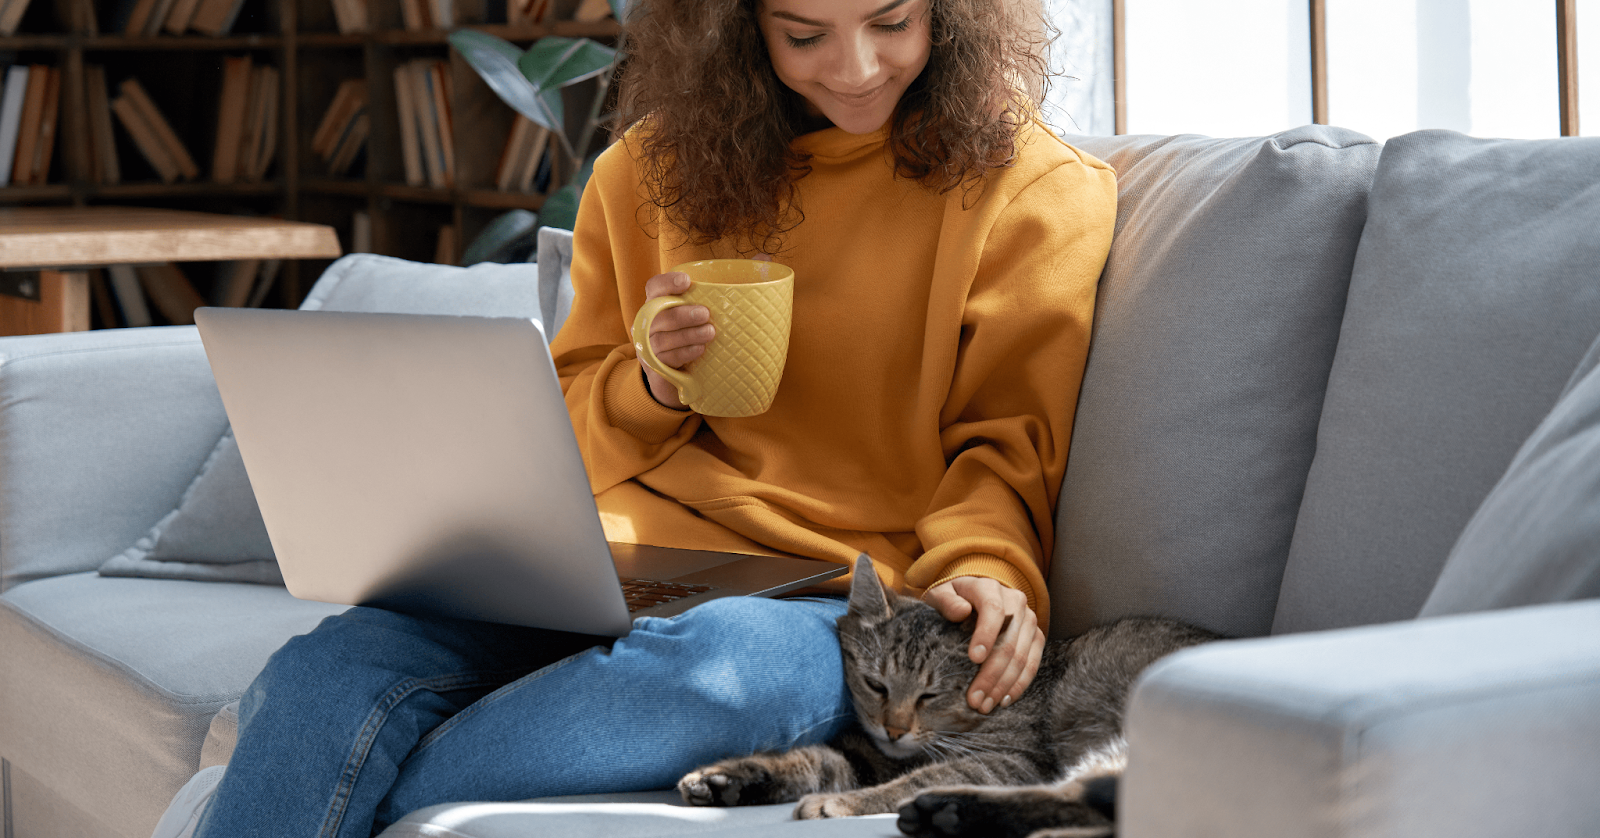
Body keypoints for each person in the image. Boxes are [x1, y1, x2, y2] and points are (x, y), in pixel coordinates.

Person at [155, 0, 1115, 835]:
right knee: (332, 668)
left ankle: (305, 800)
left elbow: (1008, 441)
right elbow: (560, 436)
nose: (856, 67)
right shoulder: (649, 170)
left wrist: (986, 575)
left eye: (893, 22)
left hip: (827, 596)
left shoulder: (1031, 188)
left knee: (721, 673)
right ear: (740, 28)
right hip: (612, 555)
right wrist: (649, 386)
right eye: (805, 34)